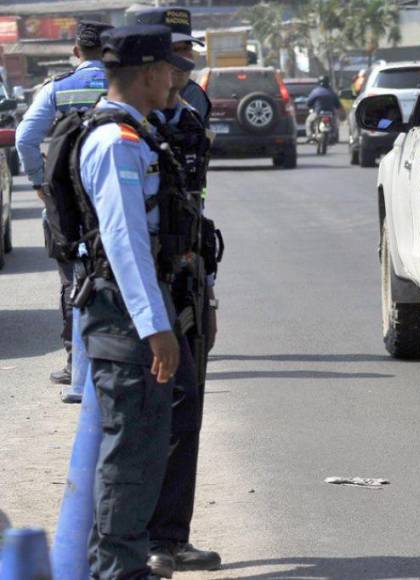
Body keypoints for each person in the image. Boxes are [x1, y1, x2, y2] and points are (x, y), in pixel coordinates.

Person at [75, 24, 199, 579]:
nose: (176, 80)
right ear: (149, 73)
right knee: (130, 457)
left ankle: (125, 564)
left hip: (138, 315)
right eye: (169, 70)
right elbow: (125, 243)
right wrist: (156, 328)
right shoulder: (115, 141)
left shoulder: (138, 131)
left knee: (146, 448)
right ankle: (117, 571)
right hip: (128, 320)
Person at [133, 7, 222, 576]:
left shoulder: (192, 113)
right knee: (138, 419)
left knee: (186, 413)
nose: (183, 64)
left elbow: (195, 203)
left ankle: (170, 536)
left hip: (187, 282)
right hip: (138, 294)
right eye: (173, 54)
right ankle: (133, 542)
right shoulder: (121, 123)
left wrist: (204, 285)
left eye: (186, 52)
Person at [15, 20, 112, 389]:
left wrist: (41, 181)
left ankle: (77, 363)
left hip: (67, 202)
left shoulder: (57, 88)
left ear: (76, 51)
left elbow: (25, 137)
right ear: (110, 51)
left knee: (73, 280)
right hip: (115, 193)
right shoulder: (126, 85)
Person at [305, 75, 342, 140]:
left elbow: (308, 102)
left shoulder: (315, 91)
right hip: (331, 113)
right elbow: (338, 104)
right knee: (335, 122)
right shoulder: (332, 92)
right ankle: (334, 135)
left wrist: (310, 106)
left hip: (318, 112)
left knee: (309, 121)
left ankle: (310, 136)